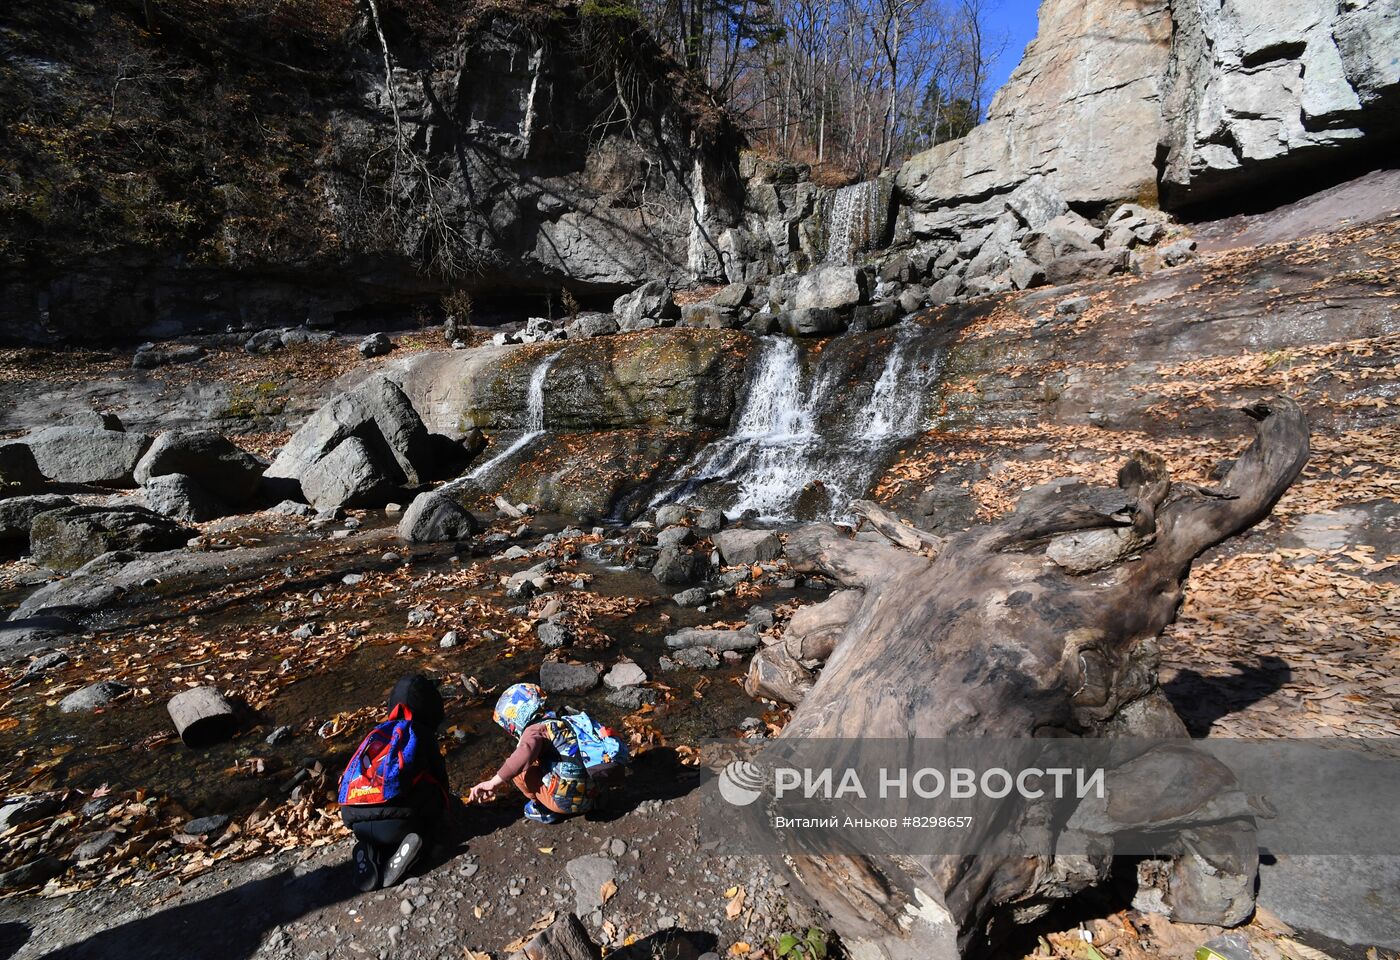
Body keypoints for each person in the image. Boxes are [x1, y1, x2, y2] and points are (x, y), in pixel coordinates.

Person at [338, 673, 452, 891]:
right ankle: (412, 848)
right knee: (429, 801)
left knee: (389, 805)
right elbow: (439, 778)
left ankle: (370, 848)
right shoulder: (421, 733)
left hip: (355, 819)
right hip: (397, 824)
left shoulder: (377, 733)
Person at [467, 683, 601, 825]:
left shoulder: (533, 731)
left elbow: (523, 754)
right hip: (596, 787)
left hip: (570, 803)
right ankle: (593, 798)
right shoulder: (561, 719)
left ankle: (544, 809)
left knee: (520, 772)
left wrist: (493, 783)